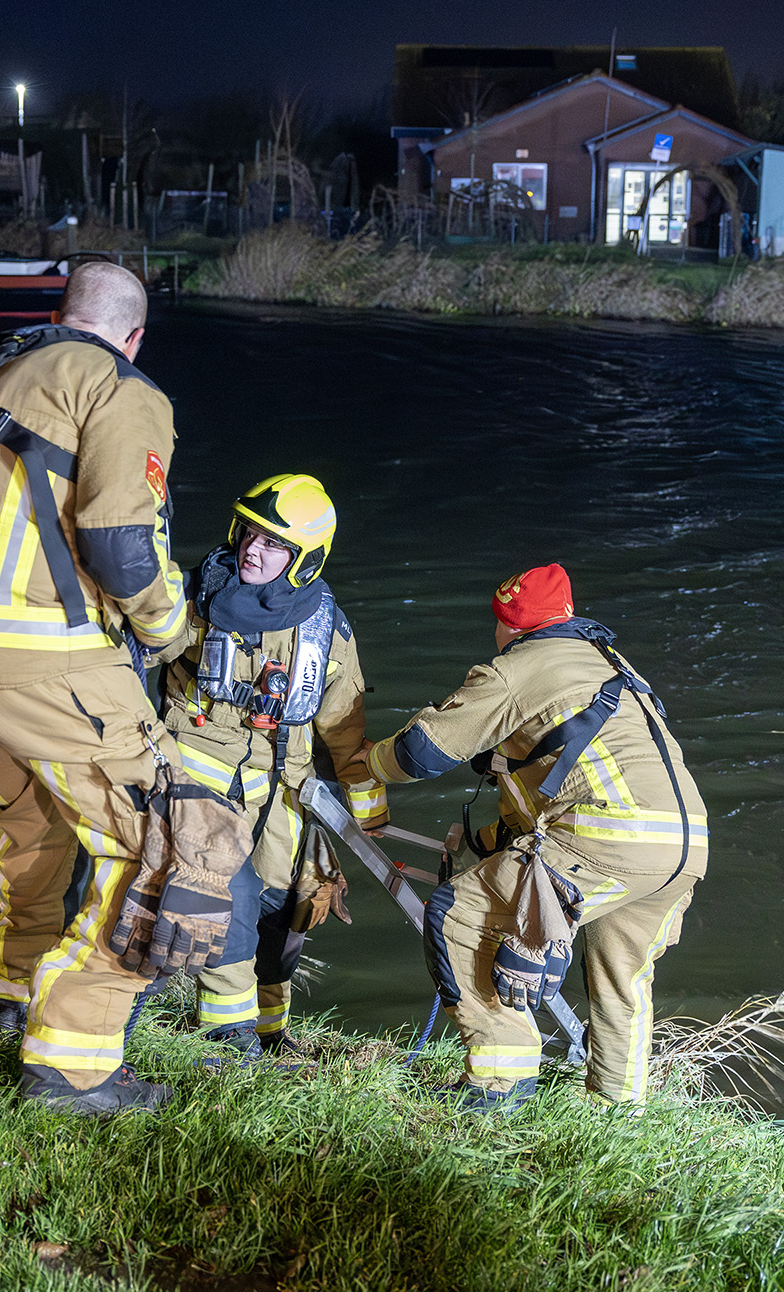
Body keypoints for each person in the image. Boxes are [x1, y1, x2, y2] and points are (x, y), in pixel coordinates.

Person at [0, 262, 203, 1116]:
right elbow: (119, 544)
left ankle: (13, 990)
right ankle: (72, 1064)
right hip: (37, 649)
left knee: (36, 818)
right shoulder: (119, 386)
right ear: (134, 336)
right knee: (167, 843)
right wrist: (170, 630)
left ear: (61, 313)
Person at [366, 564, 708, 1111]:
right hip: (682, 846)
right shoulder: (608, 663)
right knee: (622, 978)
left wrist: (365, 761)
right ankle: (618, 1114)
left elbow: (420, 753)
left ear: (508, 624)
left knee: (458, 914)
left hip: (606, 837)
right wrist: (482, 843)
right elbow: (558, 788)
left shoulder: (516, 668)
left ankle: (499, 1087)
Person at [158, 474, 387, 1055]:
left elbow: (343, 727)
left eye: (274, 544)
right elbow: (140, 654)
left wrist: (369, 808)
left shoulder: (325, 631)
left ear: (305, 560)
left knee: (283, 909)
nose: (252, 551)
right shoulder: (195, 598)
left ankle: (269, 1030)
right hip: (197, 778)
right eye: (249, 534)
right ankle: (229, 1040)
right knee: (227, 895)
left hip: (282, 791)